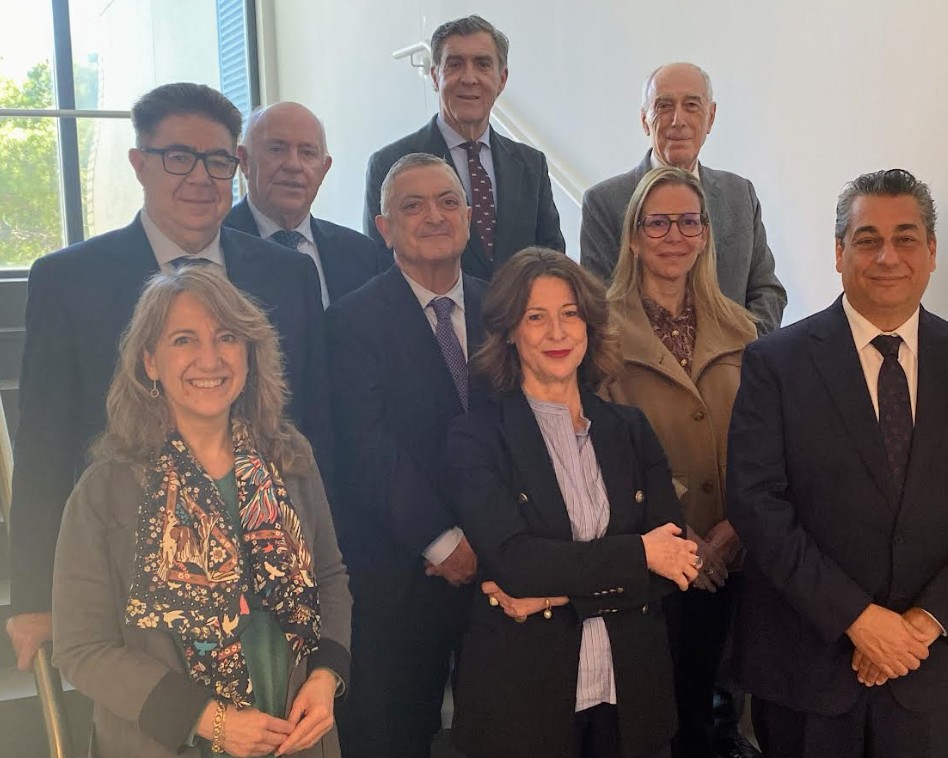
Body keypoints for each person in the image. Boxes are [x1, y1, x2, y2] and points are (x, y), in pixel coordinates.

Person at [7, 82, 330, 674]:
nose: (201, 178)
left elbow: (311, 417)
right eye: (179, 157)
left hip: (271, 562)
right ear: (140, 163)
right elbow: (44, 441)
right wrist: (32, 593)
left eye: (218, 160)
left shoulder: (288, 274)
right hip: (128, 567)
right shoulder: (69, 279)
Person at [727, 168, 948, 758]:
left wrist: (923, 624)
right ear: (839, 252)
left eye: (906, 238)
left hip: (927, 668)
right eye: (867, 239)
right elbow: (755, 505)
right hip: (806, 668)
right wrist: (857, 619)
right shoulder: (774, 364)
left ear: (932, 252)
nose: (887, 256)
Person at [51, 266, 352, 757]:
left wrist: (326, 675)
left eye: (227, 337)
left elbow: (331, 579)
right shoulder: (104, 490)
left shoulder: (290, 458)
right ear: (150, 362)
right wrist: (209, 720)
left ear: (249, 353)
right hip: (170, 743)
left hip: (295, 737)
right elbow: (82, 647)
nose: (210, 359)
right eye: (184, 340)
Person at [447, 247, 702, 758]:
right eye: (535, 317)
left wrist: (556, 598)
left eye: (569, 314)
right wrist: (638, 554)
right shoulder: (475, 437)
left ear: (589, 325)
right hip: (523, 704)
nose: (557, 332)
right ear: (509, 331)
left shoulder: (630, 428)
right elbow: (515, 563)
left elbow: (674, 564)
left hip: (632, 695)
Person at [327, 153, 486, 757]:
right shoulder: (350, 320)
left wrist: (494, 533)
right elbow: (365, 447)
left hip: (500, 561)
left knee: (499, 729)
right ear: (384, 227)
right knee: (396, 734)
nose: (434, 216)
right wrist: (442, 541)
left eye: (447, 201)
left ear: (468, 216)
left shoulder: (502, 308)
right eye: (412, 206)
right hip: (401, 571)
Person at [604, 166, 756, 757]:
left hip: (731, 549)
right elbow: (601, 451)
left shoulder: (741, 328)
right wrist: (681, 536)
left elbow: (762, 441)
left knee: (708, 711)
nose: (675, 235)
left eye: (688, 222)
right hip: (649, 550)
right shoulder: (600, 333)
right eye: (658, 223)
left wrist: (735, 528)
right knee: (653, 717)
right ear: (634, 236)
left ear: (705, 234)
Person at [580, 62, 785, 337]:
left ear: (711, 117)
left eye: (691, 105)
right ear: (644, 120)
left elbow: (767, 290)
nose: (678, 120)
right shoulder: (604, 203)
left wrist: (744, 351)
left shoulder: (739, 195)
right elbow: (600, 306)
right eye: (664, 106)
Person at [363, 14, 564, 280]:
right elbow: (380, 264)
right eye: (455, 64)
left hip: (518, 307)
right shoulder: (389, 163)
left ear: (502, 79)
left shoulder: (531, 165)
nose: (469, 78)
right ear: (435, 76)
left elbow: (551, 257)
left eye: (482, 64)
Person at [226, 101, 391, 308]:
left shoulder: (361, 254)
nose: (293, 165)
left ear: (324, 169)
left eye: (307, 153)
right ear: (244, 161)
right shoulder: (213, 245)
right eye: (277, 149)